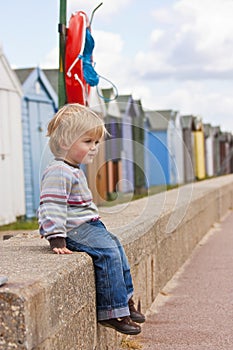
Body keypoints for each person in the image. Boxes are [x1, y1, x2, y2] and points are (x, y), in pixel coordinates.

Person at [38, 103, 145, 335]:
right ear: (65, 142)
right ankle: (113, 312)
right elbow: (51, 205)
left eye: (96, 142)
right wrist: (56, 237)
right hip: (75, 229)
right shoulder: (59, 171)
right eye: (88, 142)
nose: (95, 148)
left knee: (116, 246)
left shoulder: (72, 168)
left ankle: (124, 300)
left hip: (89, 225)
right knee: (107, 253)